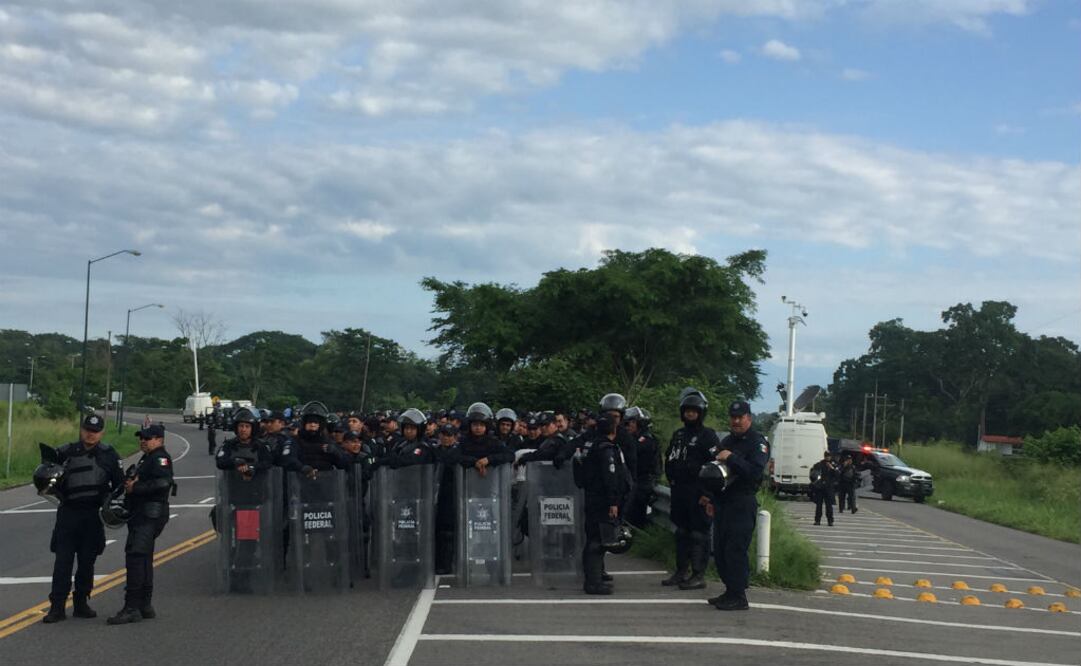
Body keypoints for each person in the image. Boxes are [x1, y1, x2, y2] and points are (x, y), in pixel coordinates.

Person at [43, 414, 123, 623]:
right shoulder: (65, 452)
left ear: (101, 433)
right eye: (88, 430)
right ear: (81, 429)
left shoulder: (109, 455)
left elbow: (119, 485)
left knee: (87, 562)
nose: (91, 434)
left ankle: (81, 603)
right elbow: (46, 475)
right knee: (63, 562)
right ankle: (57, 607)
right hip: (68, 513)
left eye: (95, 431)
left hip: (93, 515)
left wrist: (111, 505)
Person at [107, 424, 174, 624]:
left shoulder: (160, 458)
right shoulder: (147, 457)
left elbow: (163, 483)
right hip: (142, 512)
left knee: (136, 557)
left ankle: (132, 607)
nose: (143, 441)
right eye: (141, 438)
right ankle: (145, 605)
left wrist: (136, 488)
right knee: (143, 558)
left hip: (149, 513)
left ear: (159, 439)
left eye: (148, 438)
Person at [708, 400, 769, 611]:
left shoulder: (757, 443)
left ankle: (739, 596)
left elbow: (754, 471)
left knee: (735, 549)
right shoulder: (727, 440)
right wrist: (710, 498)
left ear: (748, 418)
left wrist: (732, 457)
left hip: (742, 501)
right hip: (723, 500)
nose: (736, 421)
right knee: (720, 550)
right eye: (733, 417)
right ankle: (729, 590)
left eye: (740, 417)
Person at [662, 390, 718, 591]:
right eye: (687, 411)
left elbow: (715, 466)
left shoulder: (708, 436)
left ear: (701, 413)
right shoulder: (678, 435)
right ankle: (681, 571)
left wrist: (708, 494)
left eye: (694, 411)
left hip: (699, 492)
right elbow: (670, 458)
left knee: (698, 534)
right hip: (679, 490)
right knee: (681, 532)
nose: (690, 414)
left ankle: (698, 574)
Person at [573, 405, 628, 595]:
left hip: (591, 496)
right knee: (598, 542)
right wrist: (613, 501)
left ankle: (592, 579)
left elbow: (578, 471)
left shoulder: (589, 446)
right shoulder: (606, 448)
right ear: (613, 429)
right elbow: (610, 475)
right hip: (602, 500)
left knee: (592, 539)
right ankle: (594, 583)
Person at [624, 406, 659, 527]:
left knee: (635, 517)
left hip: (642, 483)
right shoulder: (632, 439)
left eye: (632, 422)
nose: (628, 426)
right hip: (634, 482)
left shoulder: (646, 441)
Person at [810, 451, 839, 526]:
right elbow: (812, 474)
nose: (828, 457)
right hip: (820, 488)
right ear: (824, 456)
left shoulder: (834, 465)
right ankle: (817, 520)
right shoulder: (819, 464)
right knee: (819, 505)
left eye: (829, 456)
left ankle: (830, 521)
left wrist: (832, 468)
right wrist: (815, 483)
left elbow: (838, 475)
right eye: (826, 456)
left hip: (829, 488)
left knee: (829, 506)